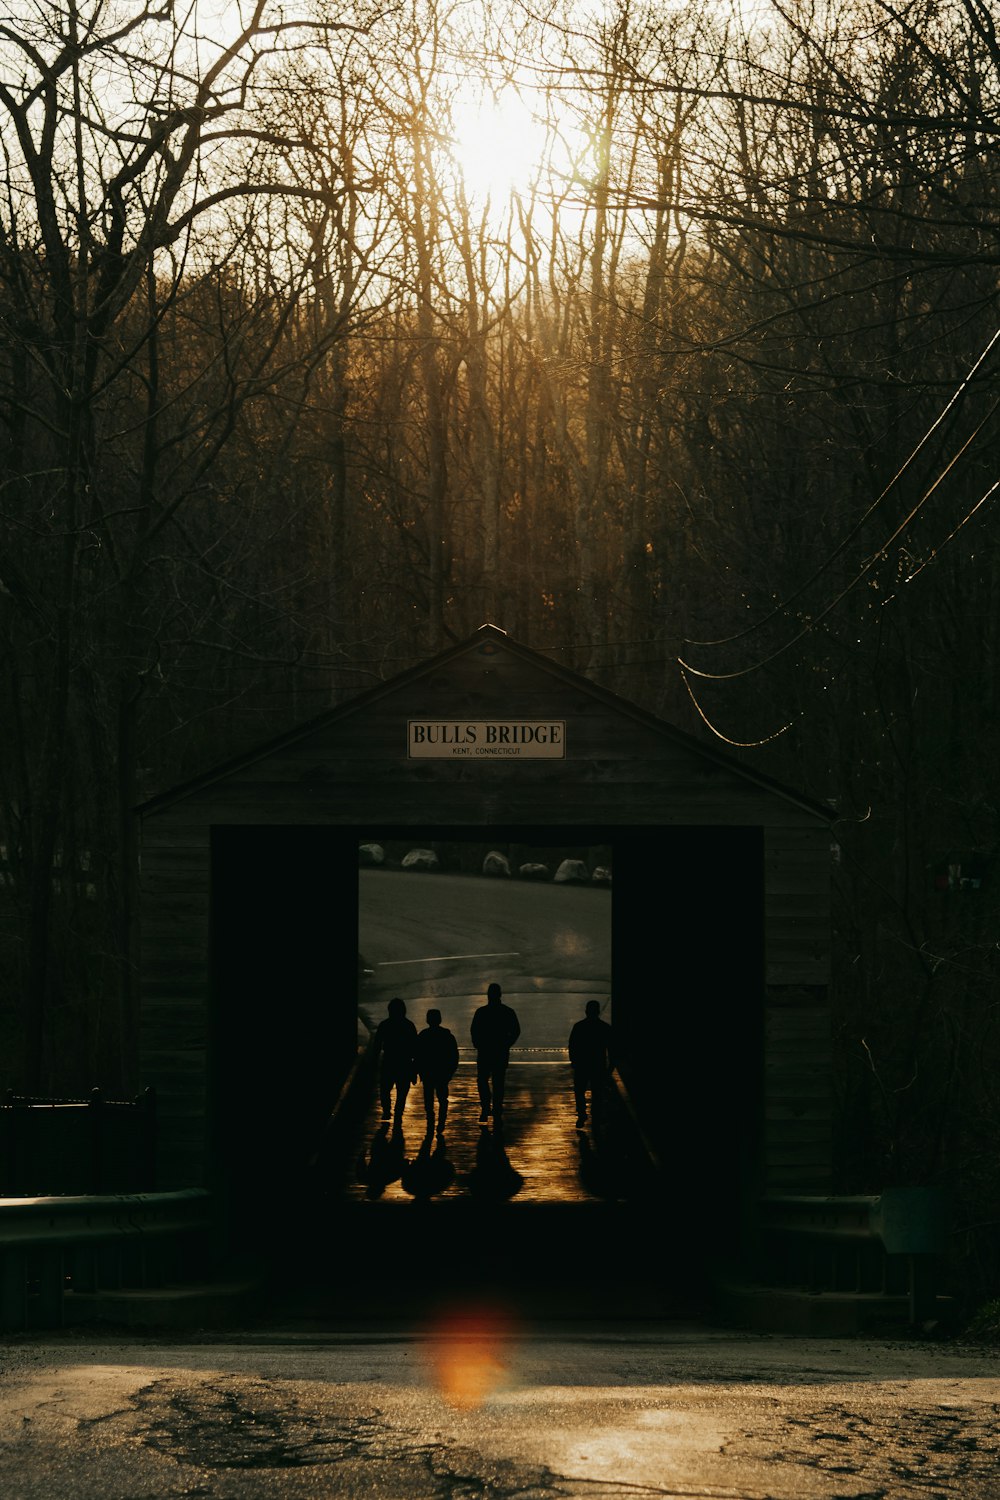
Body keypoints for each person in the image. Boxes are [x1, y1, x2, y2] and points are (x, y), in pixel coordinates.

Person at [470, 981, 520, 1123]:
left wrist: (478, 1043)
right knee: (498, 1081)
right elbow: (516, 1030)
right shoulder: (507, 1012)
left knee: (483, 1080)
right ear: (500, 995)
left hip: (485, 1051)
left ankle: (486, 1107)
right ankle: (497, 1108)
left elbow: (474, 1030)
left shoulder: (481, 1012)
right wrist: (507, 1043)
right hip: (500, 1051)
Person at [568, 999, 613, 1128]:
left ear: (586, 1011)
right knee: (597, 1091)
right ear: (598, 1012)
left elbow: (572, 1045)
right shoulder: (604, 1027)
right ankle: (596, 1115)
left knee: (579, 1090)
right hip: (598, 1064)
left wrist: (574, 1061)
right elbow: (611, 1048)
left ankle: (582, 1113)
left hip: (582, 1064)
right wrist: (610, 1066)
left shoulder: (579, 1026)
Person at [414, 1008, 460, 1137]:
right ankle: (441, 1123)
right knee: (442, 1099)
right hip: (442, 1073)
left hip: (428, 1073)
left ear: (428, 1020)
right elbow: (453, 1057)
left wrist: (417, 1071)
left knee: (429, 1100)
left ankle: (431, 1122)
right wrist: (450, 1072)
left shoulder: (423, 1035)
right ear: (440, 1020)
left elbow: (417, 1056)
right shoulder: (447, 1036)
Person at [373, 997, 418, 1126]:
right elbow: (415, 1047)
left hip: (388, 1061)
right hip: (404, 1062)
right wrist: (414, 1068)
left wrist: (374, 1062)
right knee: (402, 1090)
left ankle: (386, 1110)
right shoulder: (409, 1025)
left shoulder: (384, 1025)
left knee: (385, 1089)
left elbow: (377, 1046)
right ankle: (398, 1112)